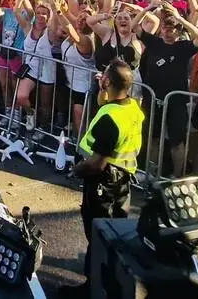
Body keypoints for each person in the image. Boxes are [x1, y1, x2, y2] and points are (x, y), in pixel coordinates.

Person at [60, 58, 145, 299]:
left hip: (103, 184)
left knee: (98, 237)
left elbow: (97, 163)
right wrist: (103, 88)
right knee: (114, 235)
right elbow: (105, 103)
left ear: (107, 81)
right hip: (122, 182)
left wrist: (77, 170)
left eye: (104, 76)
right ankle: (110, 285)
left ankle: (94, 289)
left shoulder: (109, 120)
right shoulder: (131, 108)